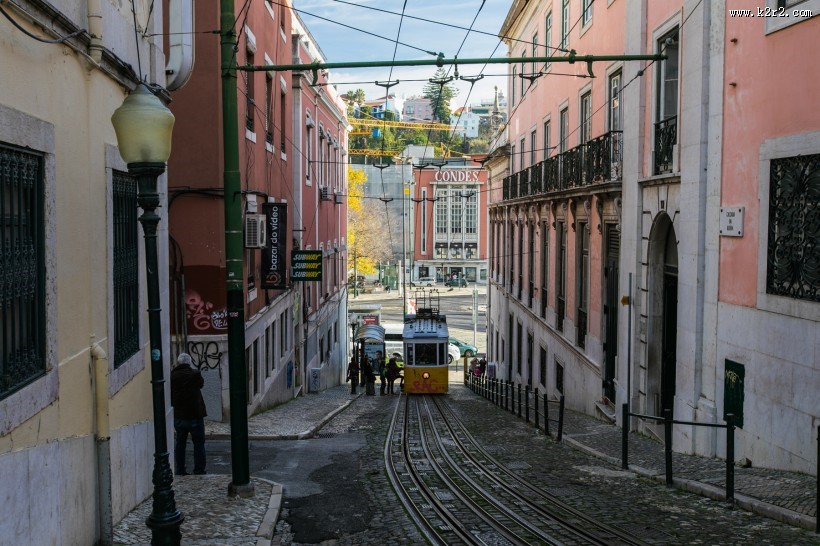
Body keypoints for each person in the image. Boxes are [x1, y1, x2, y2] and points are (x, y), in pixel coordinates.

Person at [171, 353, 207, 476]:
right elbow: (201, 384)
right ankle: (199, 470)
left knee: (180, 444)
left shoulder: (173, 376)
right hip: (195, 415)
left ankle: (180, 470)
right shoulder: (195, 374)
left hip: (179, 416)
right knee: (199, 443)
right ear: (189, 362)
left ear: (178, 363)